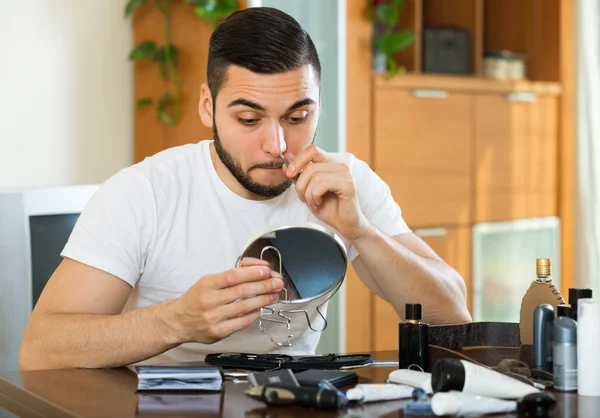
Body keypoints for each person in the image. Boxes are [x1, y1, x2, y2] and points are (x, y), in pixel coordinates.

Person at [19, 7, 471, 370]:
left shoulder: (343, 182)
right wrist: (176, 321)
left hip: (293, 403)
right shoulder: (145, 193)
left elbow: (453, 316)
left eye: (297, 118)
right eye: (249, 119)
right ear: (207, 105)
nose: (276, 144)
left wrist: (360, 231)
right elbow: (41, 348)